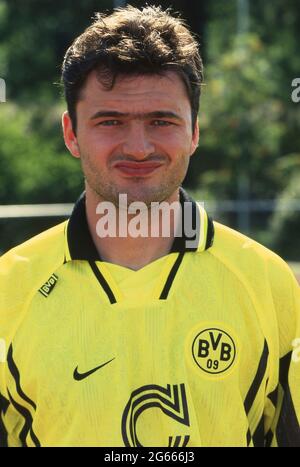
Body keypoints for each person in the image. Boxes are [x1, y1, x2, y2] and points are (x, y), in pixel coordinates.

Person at [0, 5, 299, 448]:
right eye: (110, 121)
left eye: (161, 120)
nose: (138, 148)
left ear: (194, 132)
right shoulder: (9, 288)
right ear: (71, 133)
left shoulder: (268, 283)